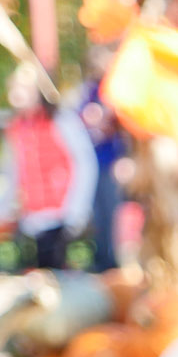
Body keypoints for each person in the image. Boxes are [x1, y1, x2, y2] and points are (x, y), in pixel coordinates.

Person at [0, 71, 98, 272]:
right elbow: (14, 170)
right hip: (31, 217)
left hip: (60, 213)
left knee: (57, 273)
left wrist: (77, 210)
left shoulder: (61, 120)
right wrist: (6, 209)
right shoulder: (17, 127)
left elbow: (84, 164)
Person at [78, 48, 122, 272]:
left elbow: (118, 120)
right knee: (97, 214)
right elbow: (79, 119)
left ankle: (114, 262)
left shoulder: (115, 87)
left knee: (112, 212)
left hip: (111, 162)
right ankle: (101, 259)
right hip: (90, 164)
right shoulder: (89, 90)